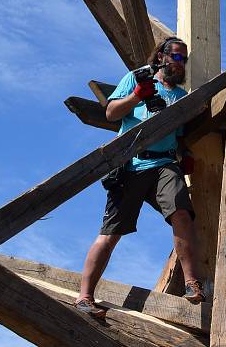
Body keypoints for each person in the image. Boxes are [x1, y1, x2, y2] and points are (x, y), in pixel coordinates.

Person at [74, 36, 204, 317]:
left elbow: (178, 135)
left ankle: (192, 282)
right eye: (177, 57)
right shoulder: (136, 78)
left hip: (164, 163)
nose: (181, 64)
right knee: (111, 233)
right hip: (131, 164)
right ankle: (84, 297)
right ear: (161, 56)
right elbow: (111, 113)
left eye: (184, 59)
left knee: (181, 212)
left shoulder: (181, 97)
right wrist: (137, 96)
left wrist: (186, 153)